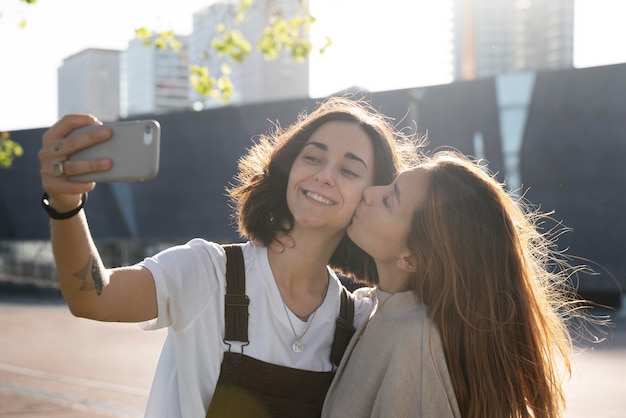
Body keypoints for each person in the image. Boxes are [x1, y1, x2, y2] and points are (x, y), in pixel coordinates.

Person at [37, 96, 419, 417]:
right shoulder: (206, 271)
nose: (324, 175)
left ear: (371, 198)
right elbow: (92, 296)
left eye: (349, 170)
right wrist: (66, 204)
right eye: (313, 158)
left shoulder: (358, 322)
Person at [320, 150, 582, 418]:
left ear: (411, 258)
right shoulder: (376, 310)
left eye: (389, 200)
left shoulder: (416, 346)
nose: (370, 192)